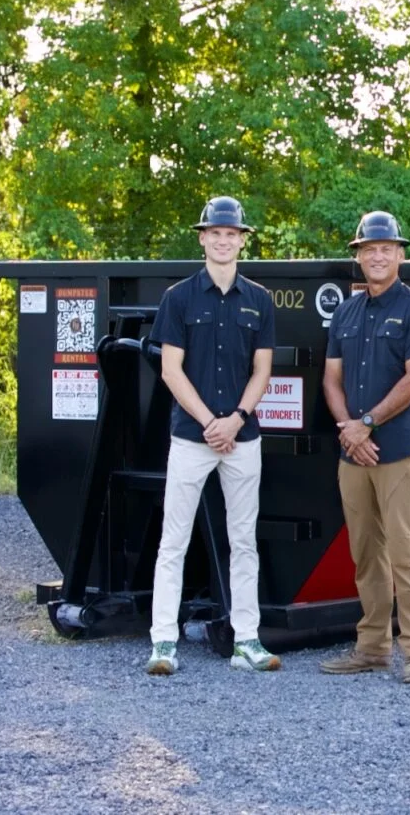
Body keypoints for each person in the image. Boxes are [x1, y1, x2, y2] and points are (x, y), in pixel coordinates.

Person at [145, 196, 280, 675]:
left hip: (243, 439)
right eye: (215, 234)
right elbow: (170, 370)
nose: (224, 241)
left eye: (232, 234)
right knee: (173, 540)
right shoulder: (178, 298)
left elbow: (262, 370)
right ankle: (163, 642)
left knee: (243, 540)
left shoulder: (259, 300)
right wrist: (209, 422)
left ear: (243, 240)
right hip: (191, 436)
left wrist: (236, 419)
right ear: (202, 238)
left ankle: (247, 640)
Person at [319, 211, 410, 684]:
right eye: (369, 249)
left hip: (399, 455)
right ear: (358, 255)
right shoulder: (346, 312)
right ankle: (372, 649)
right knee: (366, 555)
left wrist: (367, 423)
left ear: (400, 254)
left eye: (386, 248)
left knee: (407, 553)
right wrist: (349, 428)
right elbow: (331, 379)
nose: (377, 255)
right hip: (354, 455)